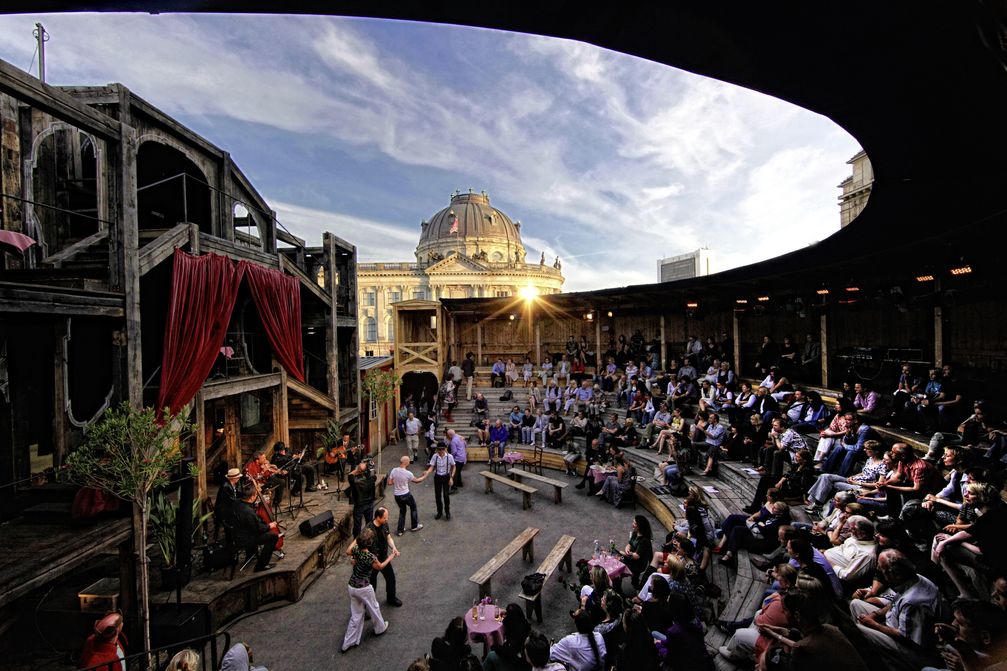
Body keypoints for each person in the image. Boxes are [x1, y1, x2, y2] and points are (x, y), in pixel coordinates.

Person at [849, 549, 945, 671]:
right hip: (895, 620)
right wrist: (876, 614)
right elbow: (894, 602)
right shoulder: (911, 578)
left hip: (910, 647)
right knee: (855, 604)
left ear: (893, 574)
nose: (878, 570)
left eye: (882, 569)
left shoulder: (912, 602)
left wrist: (873, 624)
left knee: (856, 629)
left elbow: (905, 637)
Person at [340, 528, 394, 653]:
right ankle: (380, 628)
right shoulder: (370, 556)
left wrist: (356, 539)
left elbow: (348, 550)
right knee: (374, 607)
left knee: (356, 615)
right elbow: (380, 566)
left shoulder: (356, 550)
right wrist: (391, 557)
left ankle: (347, 642)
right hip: (363, 587)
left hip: (352, 586)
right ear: (370, 543)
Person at [233, 487, 280, 572]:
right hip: (246, 539)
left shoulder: (237, 503)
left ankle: (251, 554)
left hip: (237, 534)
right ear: (252, 497)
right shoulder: (248, 512)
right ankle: (261, 565)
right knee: (273, 536)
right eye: (256, 496)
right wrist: (270, 526)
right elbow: (259, 530)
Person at [364, 507, 401, 607]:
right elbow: (363, 546)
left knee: (391, 578)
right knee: (371, 583)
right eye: (385, 518)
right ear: (378, 517)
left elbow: (388, 537)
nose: (387, 519)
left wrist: (393, 547)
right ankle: (368, 605)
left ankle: (391, 598)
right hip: (372, 560)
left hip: (383, 556)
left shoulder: (384, 524)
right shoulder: (368, 529)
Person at [387, 455, 426, 536]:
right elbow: (417, 481)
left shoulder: (394, 470)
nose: (409, 462)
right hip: (406, 494)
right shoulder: (408, 473)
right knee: (413, 507)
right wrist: (424, 476)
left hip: (397, 495)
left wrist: (397, 480)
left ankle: (400, 530)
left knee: (402, 511)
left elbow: (389, 482)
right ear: (405, 462)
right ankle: (414, 526)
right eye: (408, 461)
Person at [423, 443, 456, 520]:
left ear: (445, 449)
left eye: (442, 449)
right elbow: (432, 466)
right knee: (437, 495)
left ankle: (447, 512)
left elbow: (454, 467)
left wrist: (451, 478)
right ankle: (439, 512)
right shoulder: (435, 456)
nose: (440, 451)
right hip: (437, 477)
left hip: (446, 477)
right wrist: (427, 472)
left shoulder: (449, 456)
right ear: (437, 449)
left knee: (446, 495)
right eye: (439, 449)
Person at [347, 459, 377, 538]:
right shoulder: (372, 478)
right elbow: (373, 474)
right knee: (369, 522)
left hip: (359, 504)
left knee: (357, 524)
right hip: (370, 503)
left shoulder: (354, 480)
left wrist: (357, 470)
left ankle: (356, 541)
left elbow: (350, 474)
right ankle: (369, 538)